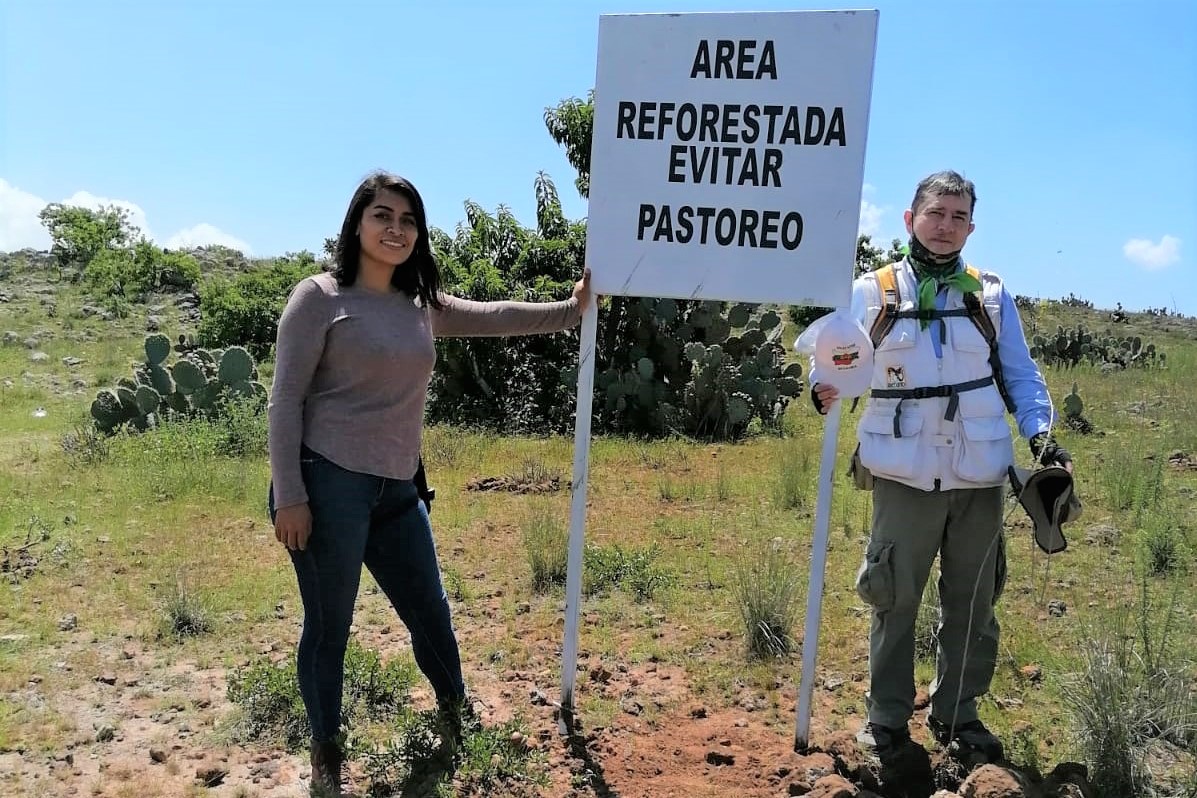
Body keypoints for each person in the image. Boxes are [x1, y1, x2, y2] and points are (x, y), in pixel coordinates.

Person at [266, 170, 592, 795]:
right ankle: (326, 753)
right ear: (356, 223)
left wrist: (571, 309)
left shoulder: (420, 306)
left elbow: (497, 315)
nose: (396, 229)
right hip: (326, 482)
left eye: (408, 220)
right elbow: (284, 401)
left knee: (430, 611)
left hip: (397, 488)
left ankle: (456, 714)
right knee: (330, 624)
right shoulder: (320, 297)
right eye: (383, 216)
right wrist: (290, 495)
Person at [808, 170, 1073, 764]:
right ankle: (887, 721)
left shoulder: (992, 295)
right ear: (909, 219)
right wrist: (821, 388)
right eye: (935, 214)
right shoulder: (870, 292)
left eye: (958, 217)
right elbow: (833, 358)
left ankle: (958, 714)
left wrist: (1041, 437)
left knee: (974, 601)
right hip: (901, 474)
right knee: (893, 597)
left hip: (979, 473)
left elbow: (1021, 374)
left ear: (971, 226)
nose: (946, 227)